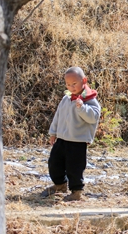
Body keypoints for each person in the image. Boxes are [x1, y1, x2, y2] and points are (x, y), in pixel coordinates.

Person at [41, 66, 101, 202]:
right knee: (54, 162)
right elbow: (58, 116)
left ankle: (76, 191)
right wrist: (53, 132)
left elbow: (93, 117)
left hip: (77, 141)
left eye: (74, 84)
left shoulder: (90, 100)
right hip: (62, 138)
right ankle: (60, 184)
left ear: (84, 80)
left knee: (75, 167)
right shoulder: (66, 98)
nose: (71, 87)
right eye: (68, 84)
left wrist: (82, 108)